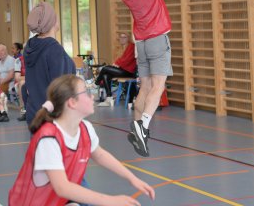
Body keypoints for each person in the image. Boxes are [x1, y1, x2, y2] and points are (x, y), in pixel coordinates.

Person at [9, 74, 155, 206]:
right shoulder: (49, 138)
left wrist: (132, 178)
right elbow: (62, 188)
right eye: (86, 92)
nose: (91, 97)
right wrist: (111, 201)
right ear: (72, 102)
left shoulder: (85, 128)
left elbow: (100, 155)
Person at [110, 0, 173, 158]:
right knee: (158, 86)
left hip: (142, 44)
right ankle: (143, 127)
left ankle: (137, 129)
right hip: (156, 40)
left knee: (144, 87)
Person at [23, 2, 76, 125]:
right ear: (52, 22)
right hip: (52, 116)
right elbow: (62, 89)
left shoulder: (30, 46)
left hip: (34, 114)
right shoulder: (54, 49)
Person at [95, 32, 137, 107]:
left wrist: (117, 63)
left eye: (124, 37)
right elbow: (120, 60)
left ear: (128, 39)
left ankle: (96, 83)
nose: (122, 39)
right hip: (123, 69)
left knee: (105, 68)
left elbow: (127, 60)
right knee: (105, 75)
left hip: (129, 71)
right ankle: (109, 98)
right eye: (121, 37)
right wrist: (116, 64)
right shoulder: (121, 48)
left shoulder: (132, 46)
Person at [11, 42, 26, 119]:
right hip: (20, 82)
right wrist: (30, 78)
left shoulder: (38, 60)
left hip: (34, 81)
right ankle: (23, 109)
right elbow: (17, 78)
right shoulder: (18, 60)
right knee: (22, 83)